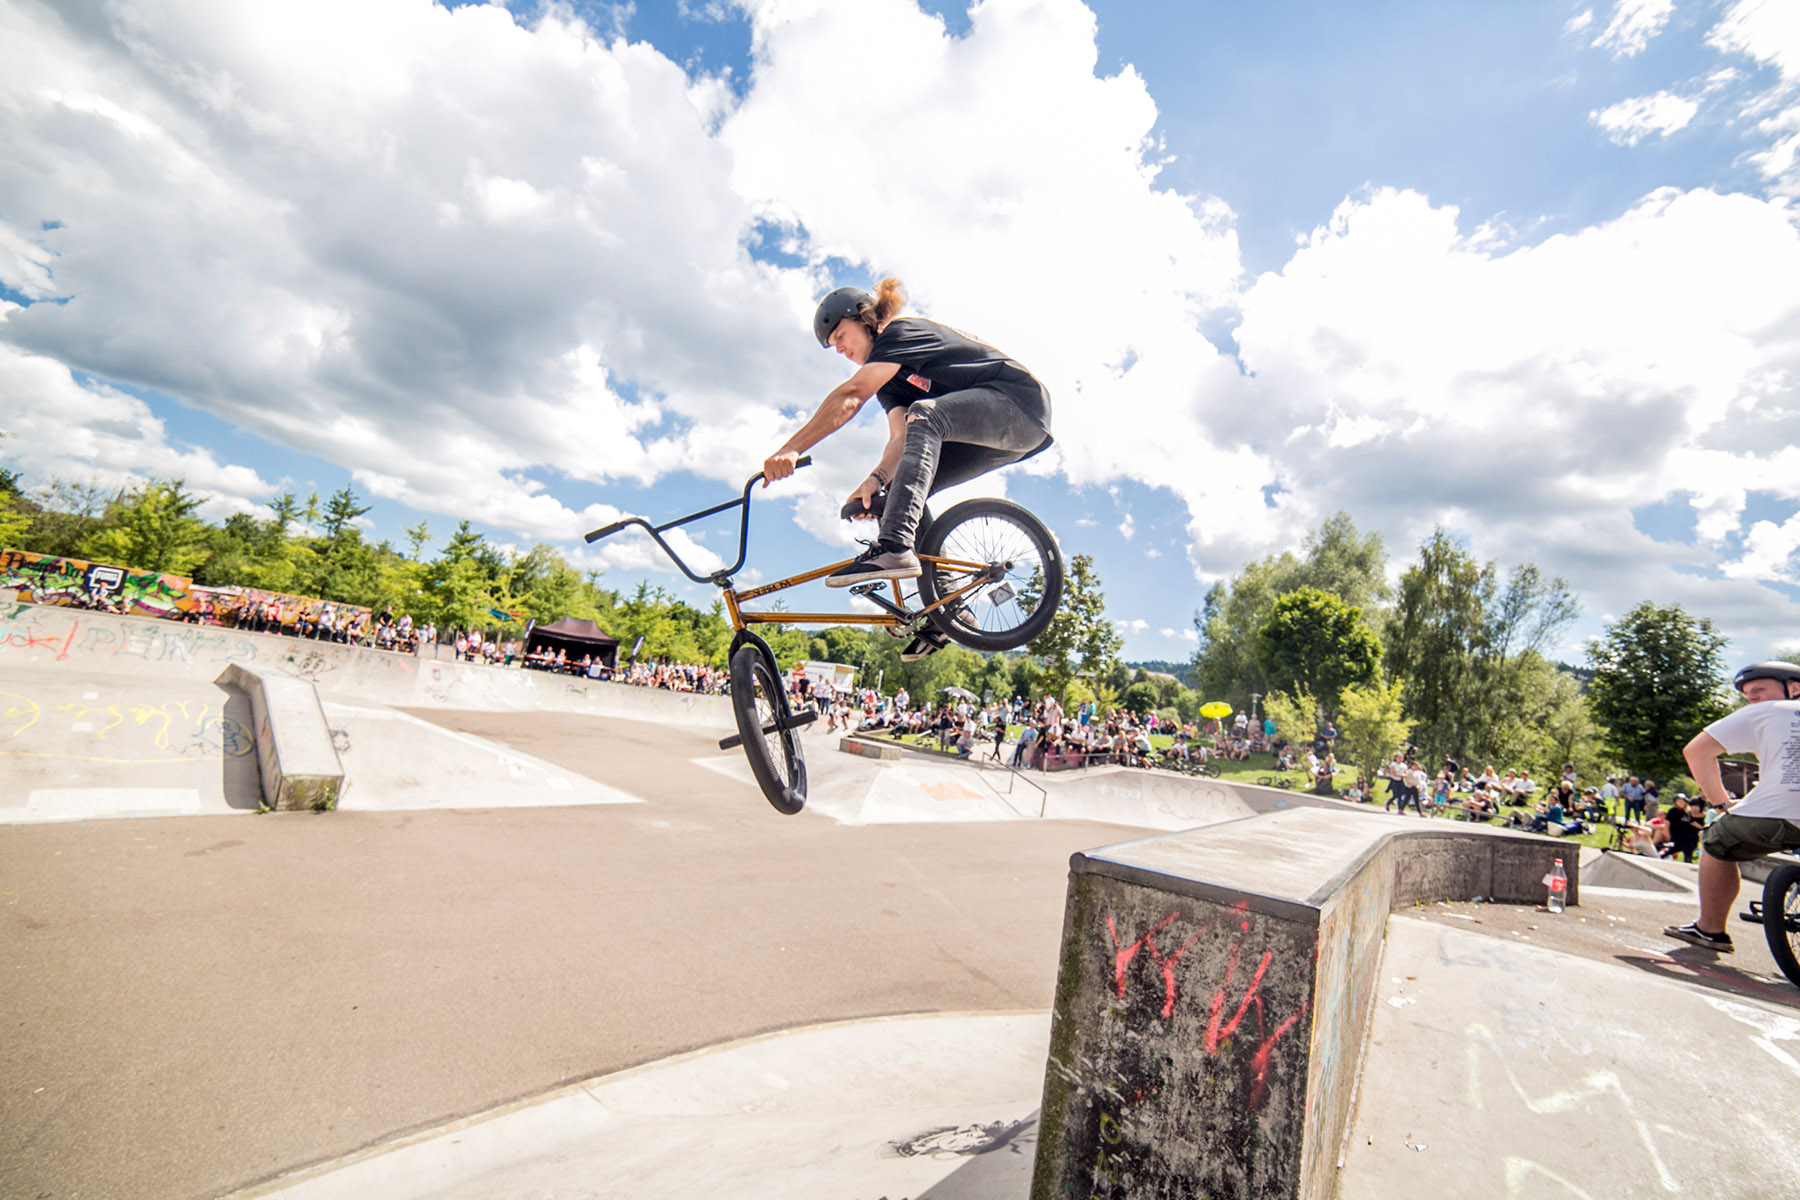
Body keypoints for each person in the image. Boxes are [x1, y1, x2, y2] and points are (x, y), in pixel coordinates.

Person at [763, 279, 1054, 662]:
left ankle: (895, 546)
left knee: (926, 415)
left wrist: (791, 448)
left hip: (1019, 406)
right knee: (907, 481)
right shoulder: (890, 383)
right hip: (994, 433)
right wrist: (875, 481)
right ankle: (947, 609)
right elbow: (900, 442)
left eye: (839, 335)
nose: (838, 347)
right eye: (833, 344)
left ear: (864, 319)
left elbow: (851, 396)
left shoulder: (903, 333)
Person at [1665, 661, 1800, 952]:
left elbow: (1696, 751)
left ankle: (1710, 929)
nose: (1751, 697)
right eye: (1747, 693)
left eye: (1758, 690)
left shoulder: (1765, 712)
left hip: (1779, 815)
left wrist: (1722, 803)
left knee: (1716, 841)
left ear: (1795, 688)